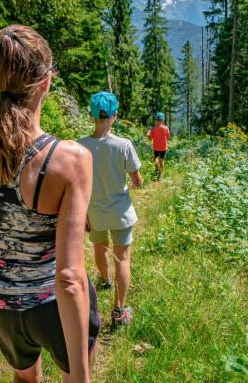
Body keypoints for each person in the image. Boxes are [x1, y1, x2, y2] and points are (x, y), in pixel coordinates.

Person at [0, 25, 100, 383]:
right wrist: (81, 377)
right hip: (55, 307)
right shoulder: (70, 159)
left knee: (24, 379)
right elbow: (71, 278)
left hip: (2, 304)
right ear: (46, 83)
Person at [78, 92, 143, 328]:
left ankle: (105, 280)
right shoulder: (124, 145)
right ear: (115, 115)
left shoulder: (80, 146)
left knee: (99, 247)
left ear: (91, 115)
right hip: (121, 212)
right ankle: (119, 311)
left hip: (93, 212)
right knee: (122, 258)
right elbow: (137, 180)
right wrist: (136, 182)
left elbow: (77, 185)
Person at [147, 112, 170, 181]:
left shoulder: (153, 129)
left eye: (158, 120)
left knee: (155, 160)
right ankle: (160, 175)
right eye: (158, 120)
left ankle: (157, 172)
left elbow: (150, 137)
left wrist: (149, 132)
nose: (158, 121)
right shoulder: (166, 128)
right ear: (163, 121)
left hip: (156, 148)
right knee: (161, 161)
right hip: (163, 148)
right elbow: (168, 137)